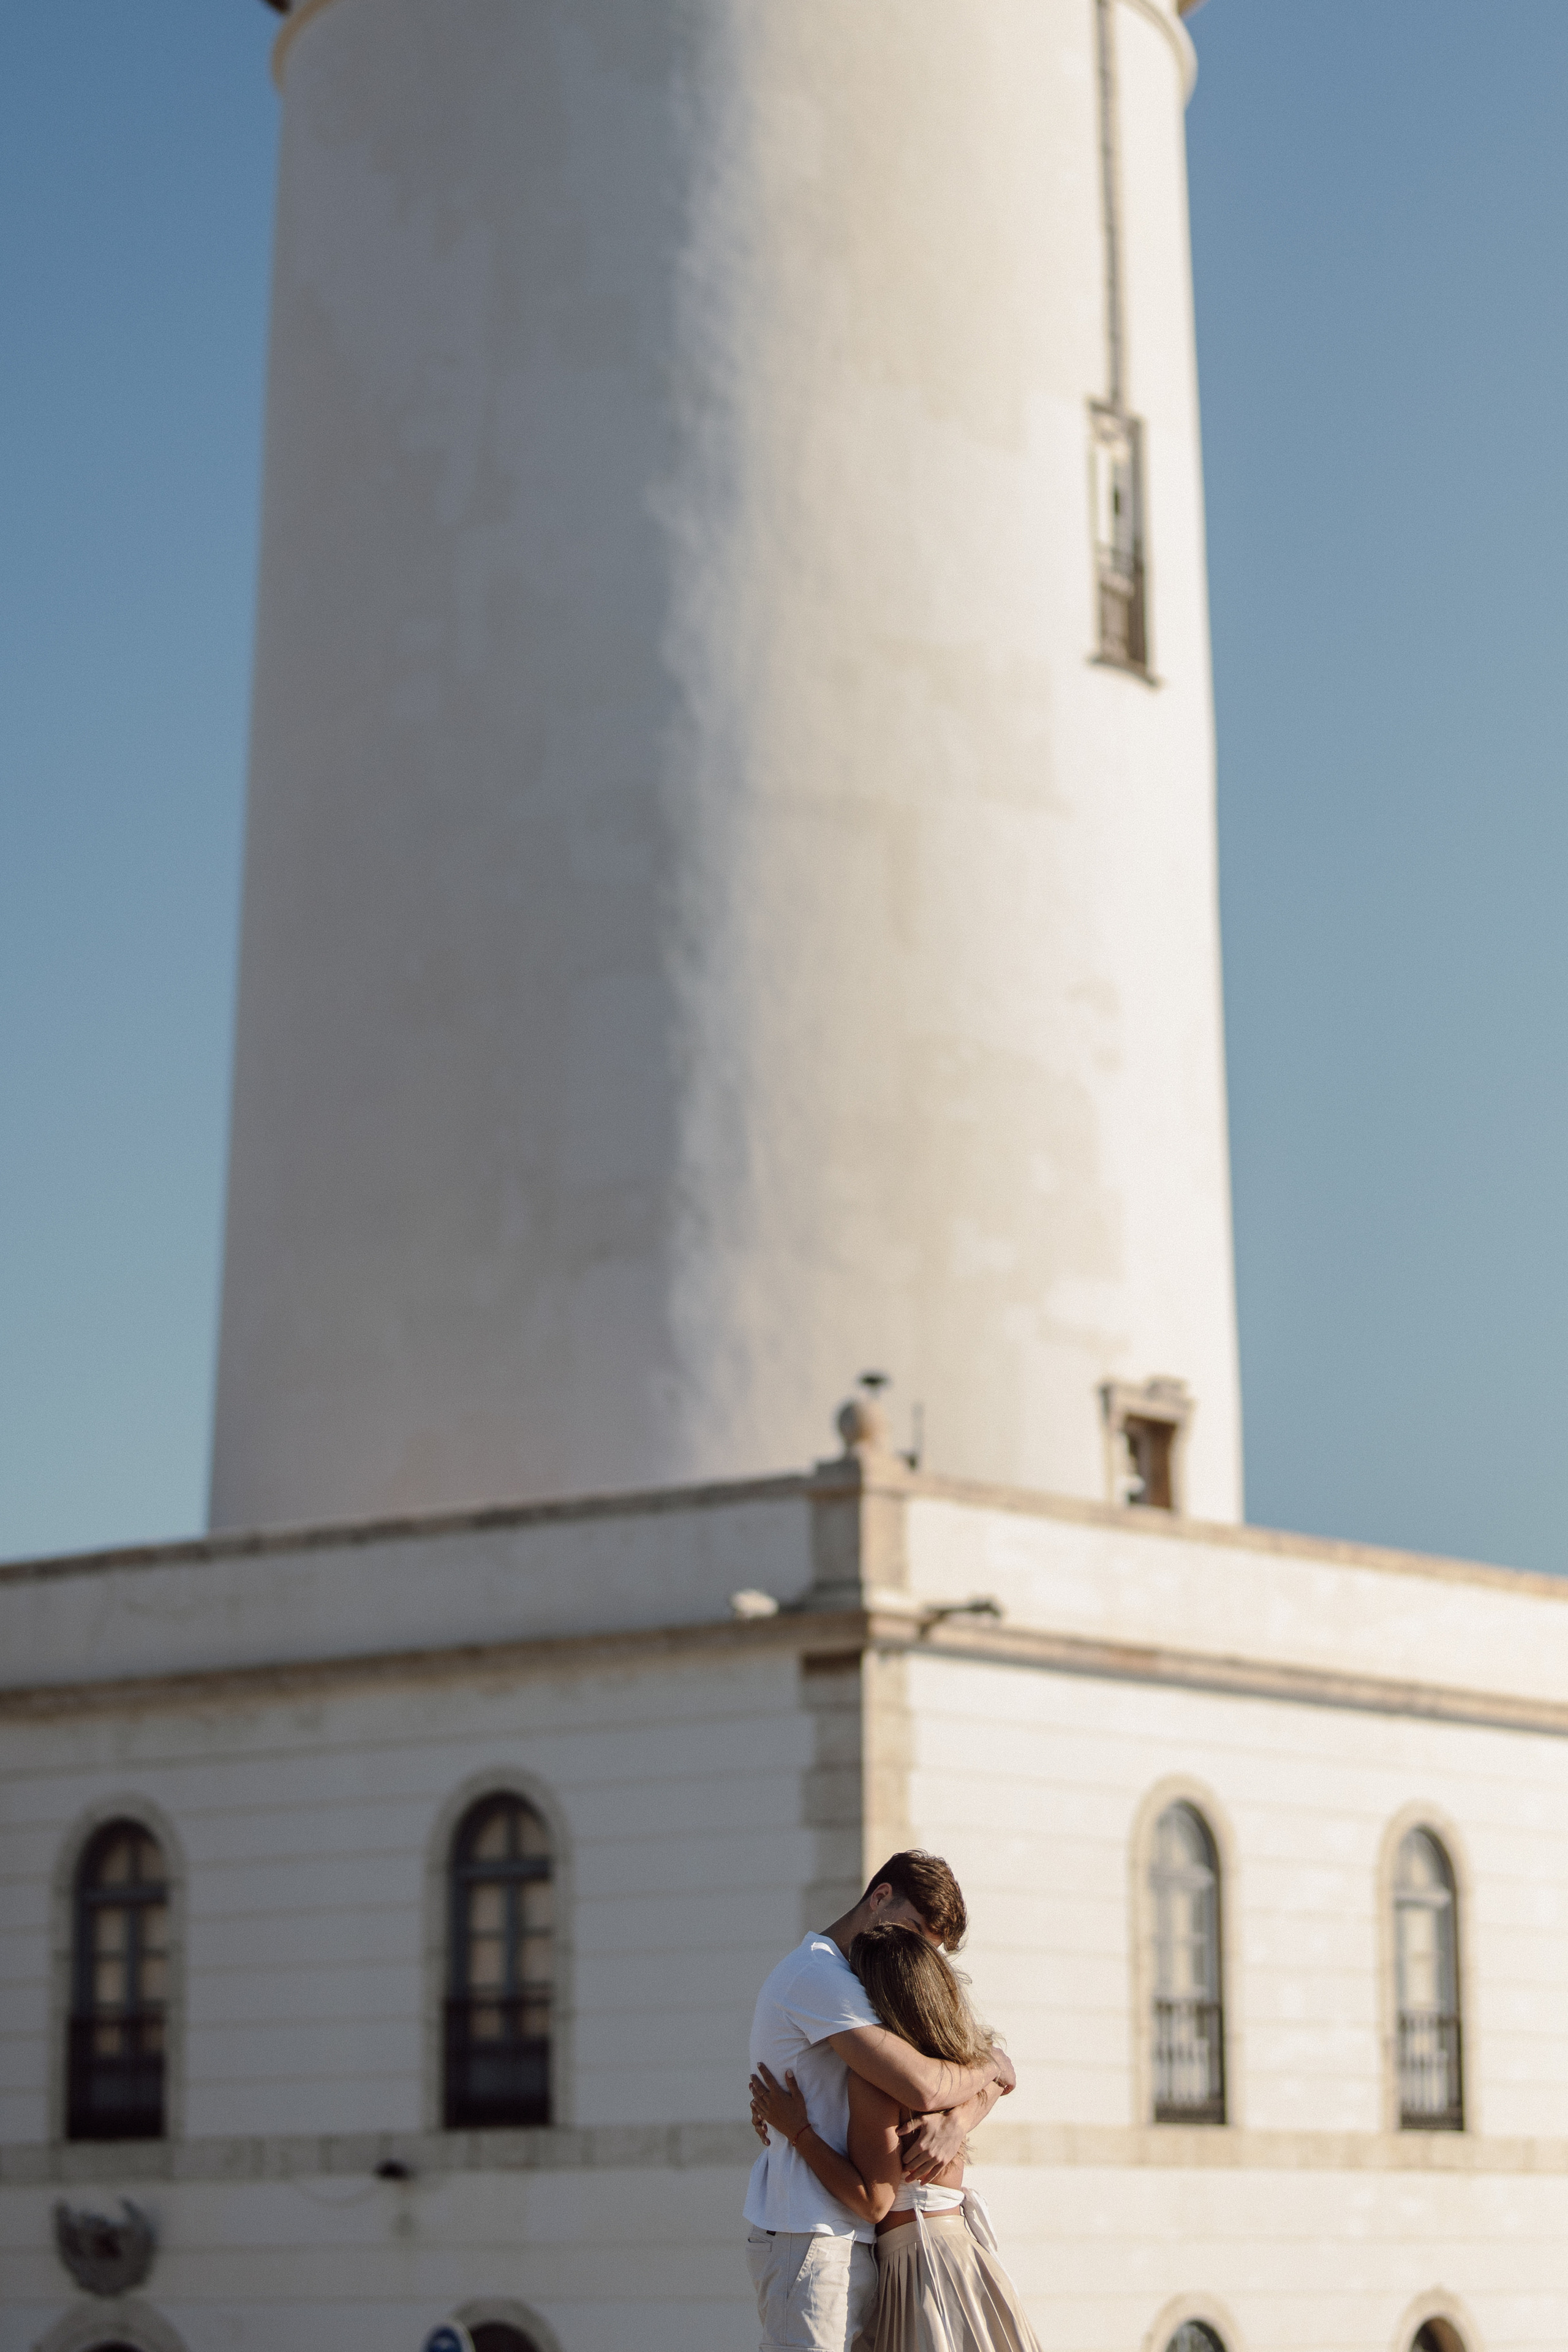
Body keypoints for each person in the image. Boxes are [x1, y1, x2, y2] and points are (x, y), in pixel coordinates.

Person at [744, 1853, 1015, 2352]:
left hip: (853, 2236)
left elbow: (933, 2082)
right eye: (914, 1930)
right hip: (813, 2232)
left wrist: (960, 2118)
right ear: (881, 1896)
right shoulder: (821, 1975)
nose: (916, 1954)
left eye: (929, 1949)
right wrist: (991, 2066)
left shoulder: (860, 1985)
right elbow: (924, 2087)